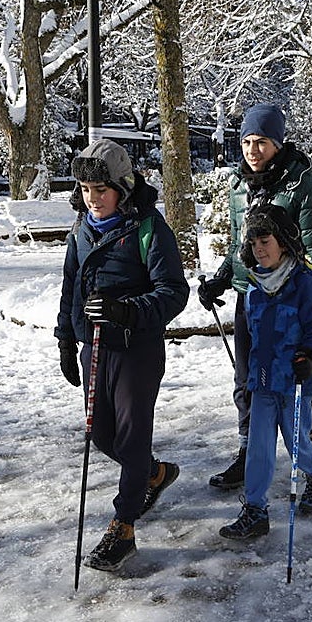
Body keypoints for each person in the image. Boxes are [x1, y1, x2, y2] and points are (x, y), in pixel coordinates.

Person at [55, 139, 189, 572]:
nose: (93, 199)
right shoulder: (81, 229)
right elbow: (70, 283)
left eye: (101, 189)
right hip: (95, 348)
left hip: (136, 349)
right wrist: (66, 338)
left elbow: (173, 292)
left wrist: (127, 311)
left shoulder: (149, 227)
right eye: (86, 189)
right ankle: (152, 473)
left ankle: (124, 525)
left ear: (122, 187)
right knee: (100, 435)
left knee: (131, 440)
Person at [197, 103, 312, 491]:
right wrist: (222, 278)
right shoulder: (238, 185)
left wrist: (309, 292)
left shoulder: (300, 184)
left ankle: (311, 418)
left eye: (262, 143)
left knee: (291, 378)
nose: (253, 151)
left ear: (278, 143)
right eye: (247, 142)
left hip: (289, 296)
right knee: (248, 379)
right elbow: (240, 245)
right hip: (250, 296)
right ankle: (247, 450)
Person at [219, 205, 312, 540]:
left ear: (283, 241)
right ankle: (255, 509)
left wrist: (311, 355)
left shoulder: (306, 282)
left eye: (265, 239)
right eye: (253, 241)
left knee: (296, 440)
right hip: (264, 377)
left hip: (297, 377)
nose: (259, 247)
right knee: (258, 444)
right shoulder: (254, 286)